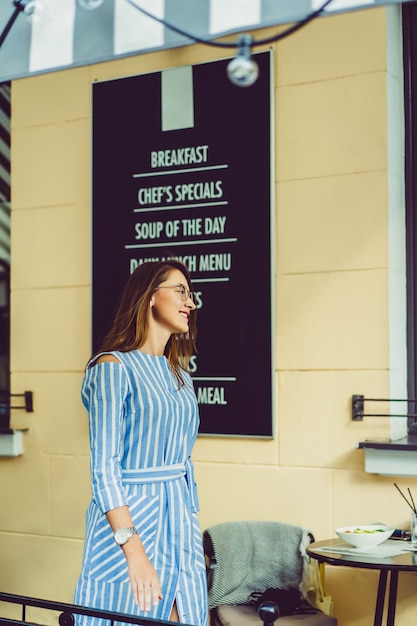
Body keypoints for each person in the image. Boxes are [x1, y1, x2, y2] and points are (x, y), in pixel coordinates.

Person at [74, 260, 208, 626]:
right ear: (150, 296)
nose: (190, 303)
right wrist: (133, 551)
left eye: (190, 294)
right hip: (132, 523)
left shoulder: (179, 375)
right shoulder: (111, 368)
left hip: (178, 518)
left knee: (188, 614)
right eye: (180, 291)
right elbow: (104, 468)